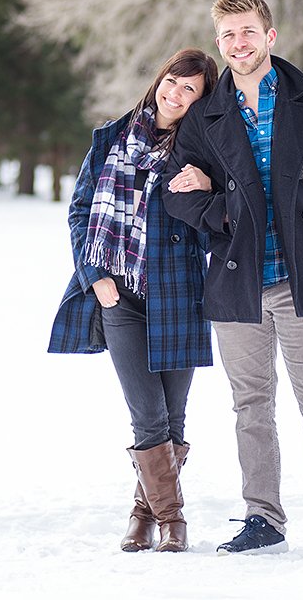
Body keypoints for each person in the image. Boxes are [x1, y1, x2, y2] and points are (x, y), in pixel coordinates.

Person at [163, 0, 303, 562]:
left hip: (301, 277)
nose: (239, 43)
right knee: (250, 406)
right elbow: (178, 192)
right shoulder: (206, 115)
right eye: (228, 35)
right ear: (219, 42)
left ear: (270, 35)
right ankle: (264, 518)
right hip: (237, 283)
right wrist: (223, 211)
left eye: (248, 32)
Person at [49, 48, 219, 553]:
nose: (176, 94)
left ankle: (142, 516)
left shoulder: (203, 152)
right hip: (118, 293)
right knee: (148, 415)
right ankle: (173, 521)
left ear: (201, 100)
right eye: (173, 81)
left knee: (173, 416)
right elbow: (80, 211)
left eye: (190, 89)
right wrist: (95, 274)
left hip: (180, 293)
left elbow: (221, 219)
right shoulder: (111, 138)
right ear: (159, 78)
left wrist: (210, 185)